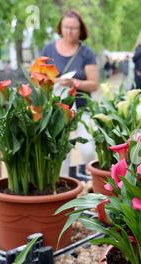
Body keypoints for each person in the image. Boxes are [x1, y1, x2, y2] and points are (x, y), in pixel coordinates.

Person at [40, 9, 99, 177]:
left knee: (88, 149)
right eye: (66, 27)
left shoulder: (86, 53)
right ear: (60, 27)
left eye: (74, 28)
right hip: (57, 108)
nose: (70, 31)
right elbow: (38, 78)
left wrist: (74, 83)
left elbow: (93, 84)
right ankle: (62, 188)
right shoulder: (48, 49)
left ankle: (91, 184)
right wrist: (53, 82)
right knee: (61, 153)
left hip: (81, 107)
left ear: (81, 30)